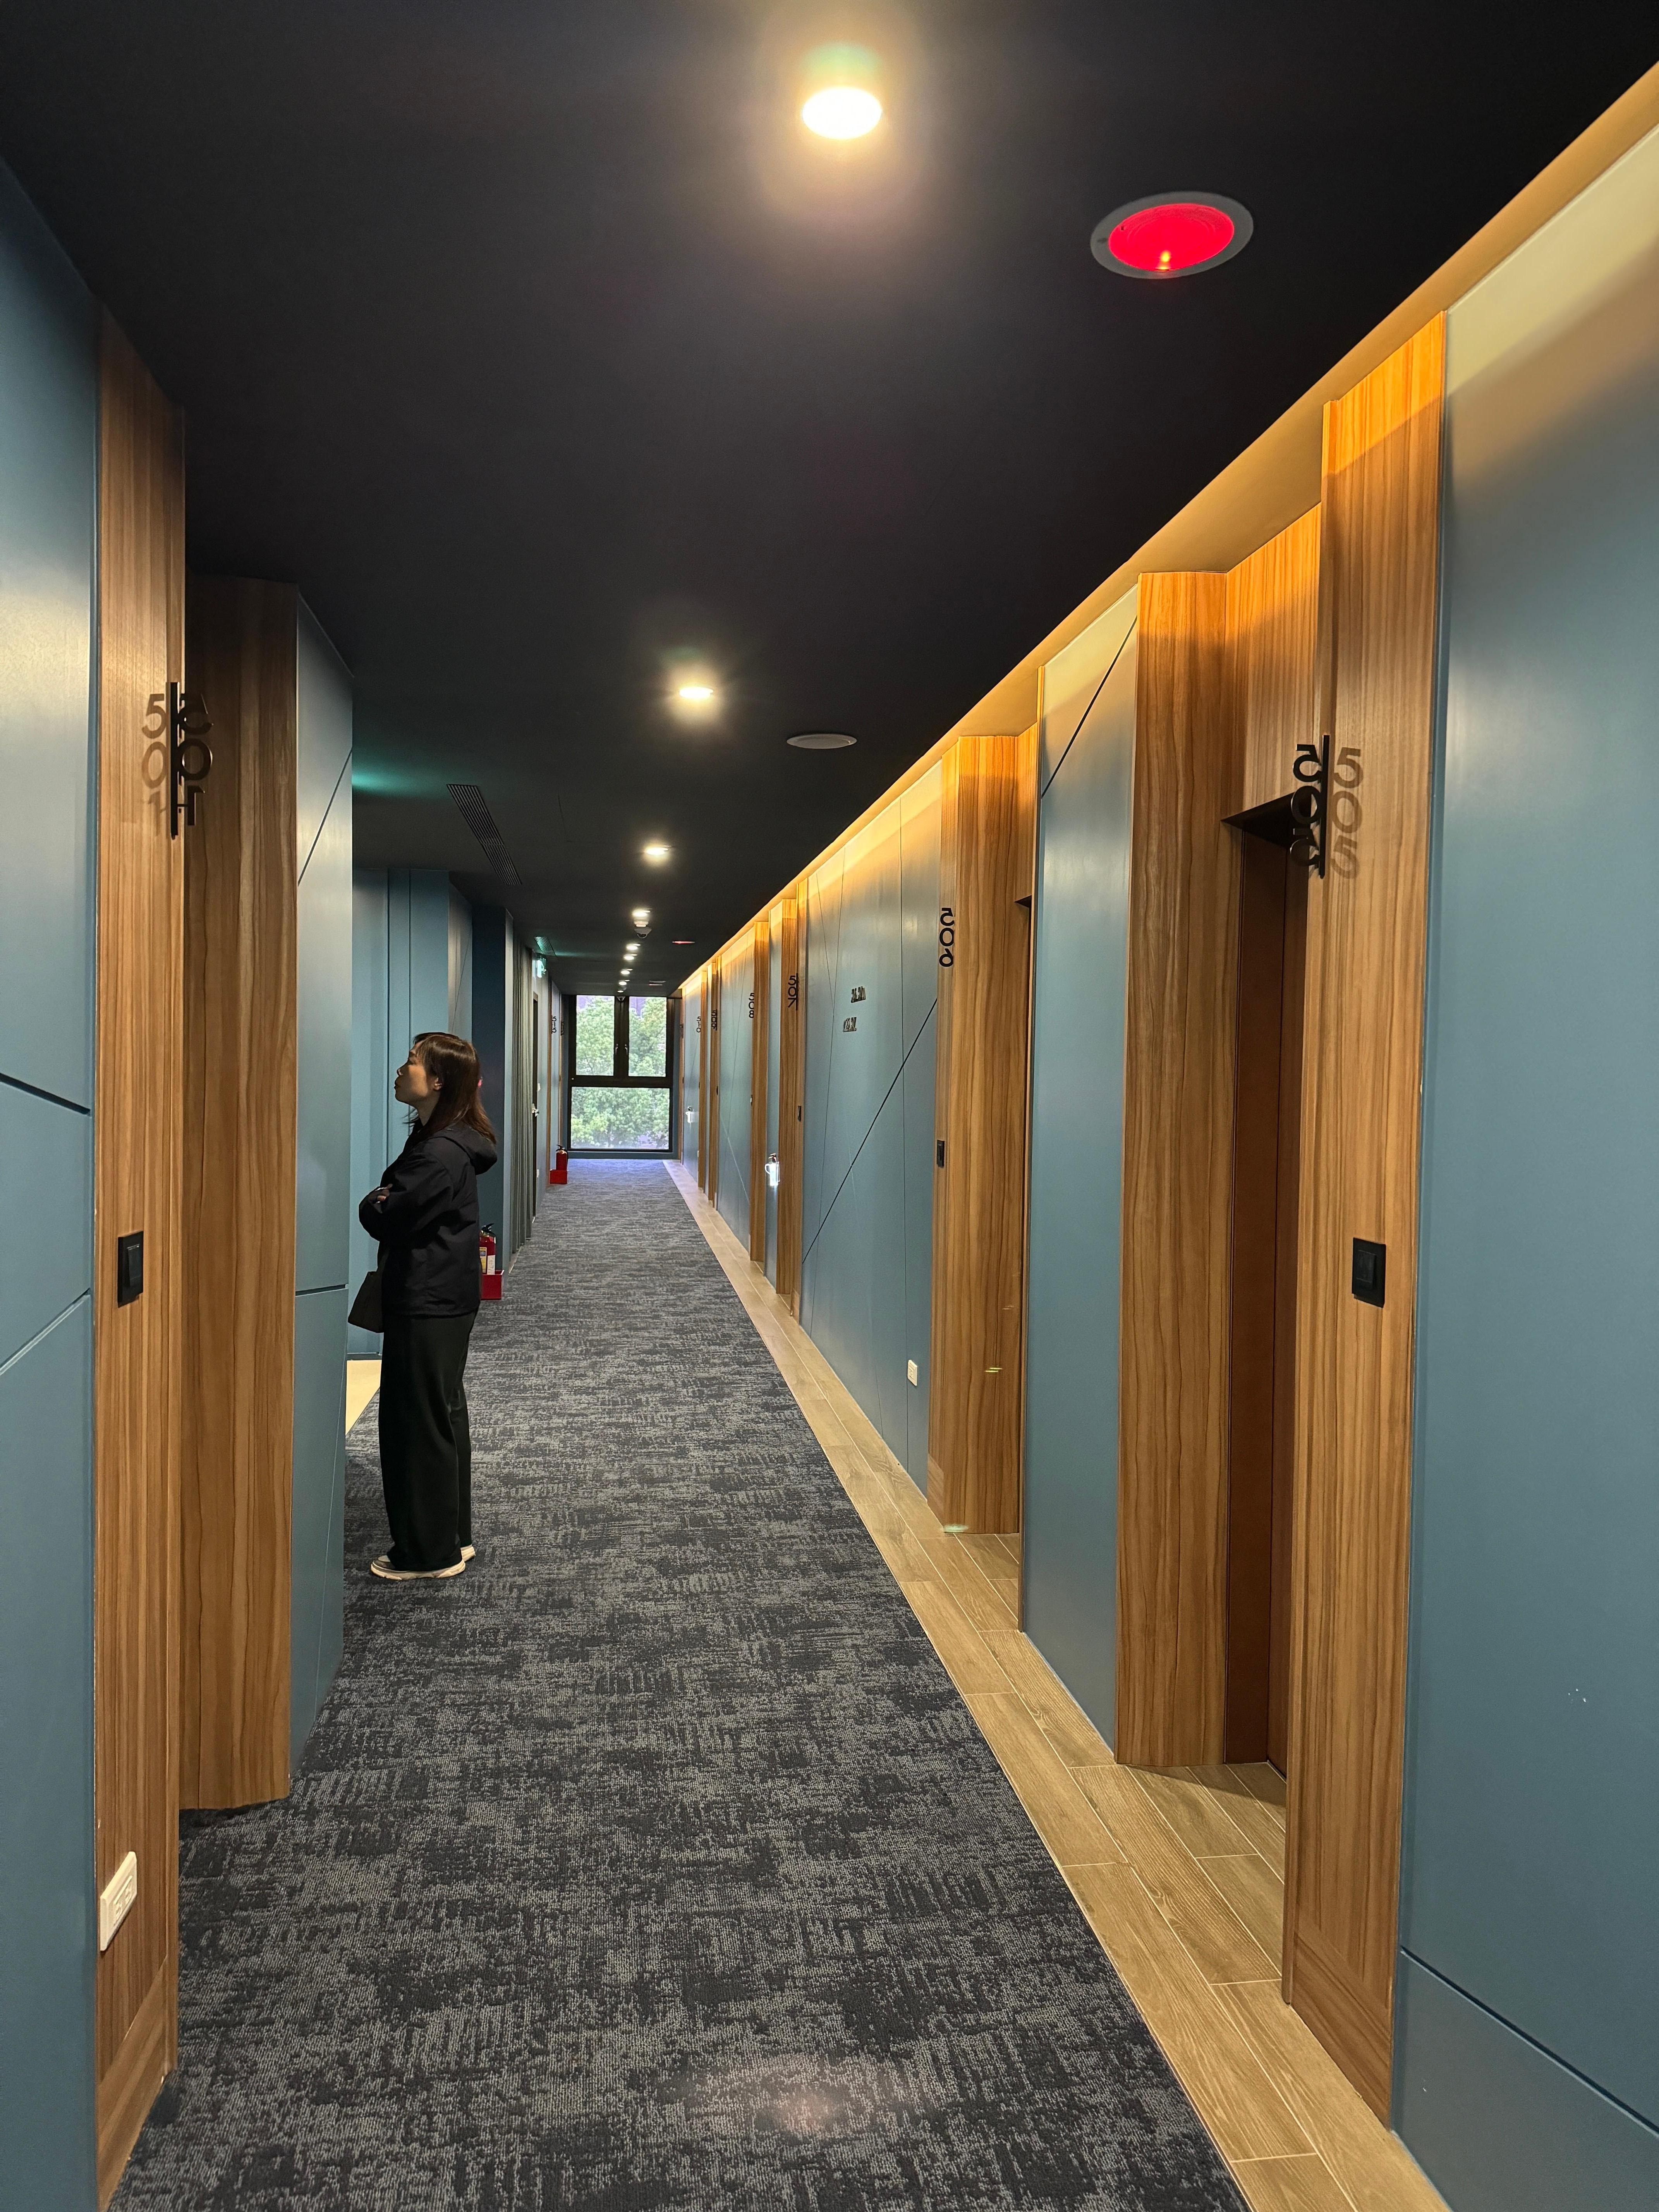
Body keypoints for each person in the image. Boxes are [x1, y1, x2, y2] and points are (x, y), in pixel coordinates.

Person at [358, 1032, 498, 1582]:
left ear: (438, 1081)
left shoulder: (439, 1154)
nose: (402, 1070)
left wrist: (374, 1202)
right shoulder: (446, 1140)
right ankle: (451, 1537)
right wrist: (386, 1199)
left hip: (428, 1299)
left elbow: (387, 1214)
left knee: (417, 1425)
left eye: (412, 1062)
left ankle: (427, 1552)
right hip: (444, 1295)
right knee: (441, 1415)